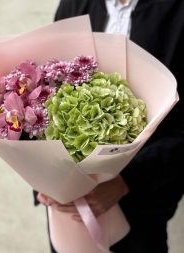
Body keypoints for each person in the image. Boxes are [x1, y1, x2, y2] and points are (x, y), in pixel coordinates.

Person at [33, 0, 184, 252]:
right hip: (66, 203)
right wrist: (44, 177)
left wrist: (126, 182)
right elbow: (46, 91)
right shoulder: (74, 5)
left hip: (142, 203)